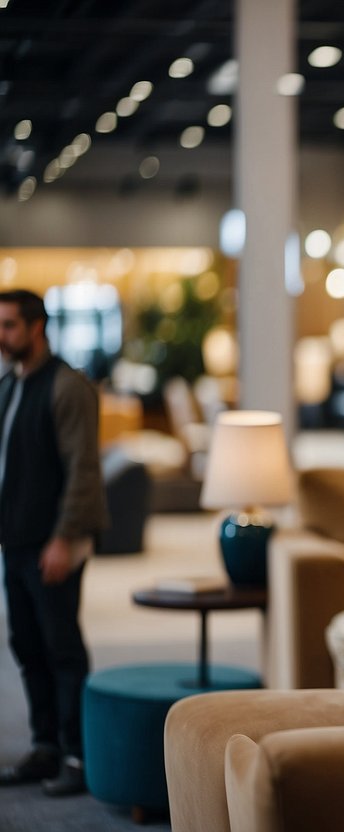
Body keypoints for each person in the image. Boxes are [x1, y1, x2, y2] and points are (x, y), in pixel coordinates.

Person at [0, 289, 107, 797]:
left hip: (53, 543)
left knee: (62, 648)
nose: (1, 336)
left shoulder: (68, 388)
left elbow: (83, 472)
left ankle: (77, 756)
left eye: (9, 326)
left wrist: (64, 539)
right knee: (26, 644)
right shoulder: (9, 385)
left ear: (37, 327)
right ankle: (45, 747)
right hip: (16, 541)